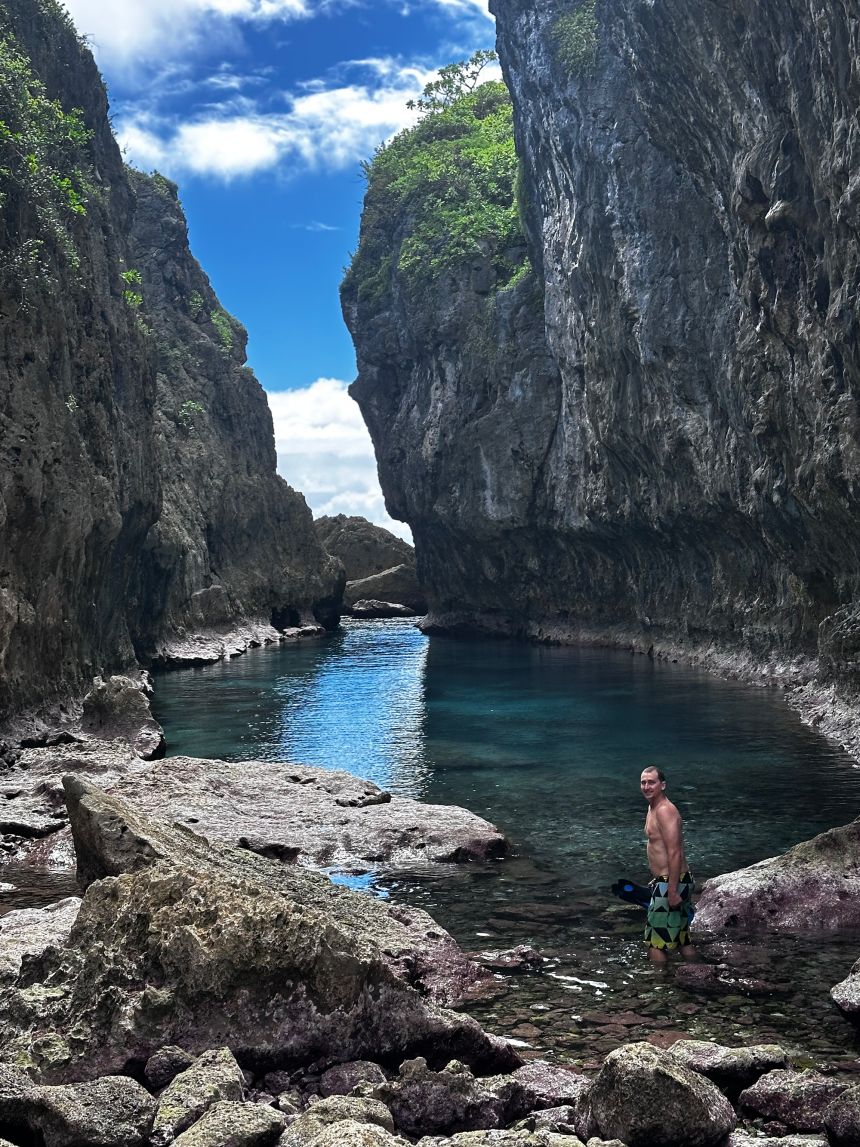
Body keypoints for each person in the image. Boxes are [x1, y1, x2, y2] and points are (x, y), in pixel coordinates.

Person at [640, 765, 695, 964]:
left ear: (662, 785)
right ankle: (697, 971)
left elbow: (675, 852)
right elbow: (659, 848)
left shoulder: (665, 811)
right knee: (682, 938)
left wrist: (672, 890)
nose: (646, 786)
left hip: (672, 884)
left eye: (651, 782)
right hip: (669, 881)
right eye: (643, 782)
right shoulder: (652, 807)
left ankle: (659, 988)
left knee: (655, 941)